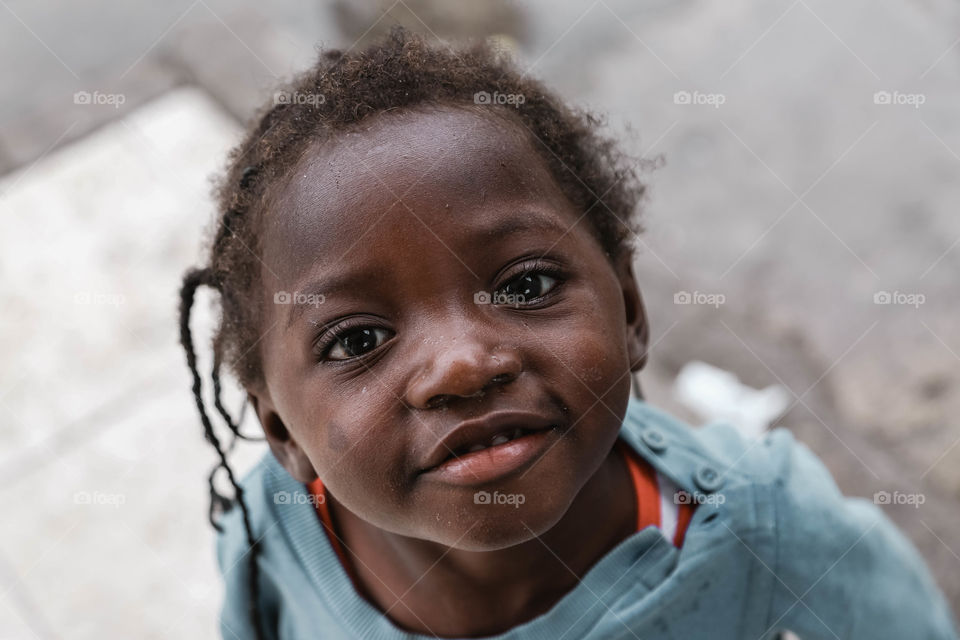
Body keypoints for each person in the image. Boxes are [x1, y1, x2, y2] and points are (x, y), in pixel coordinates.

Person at [177, 27, 958, 640]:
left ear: (629, 308)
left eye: (526, 285)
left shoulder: (763, 524)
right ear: (280, 427)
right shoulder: (275, 529)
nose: (459, 366)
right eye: (355, 341)